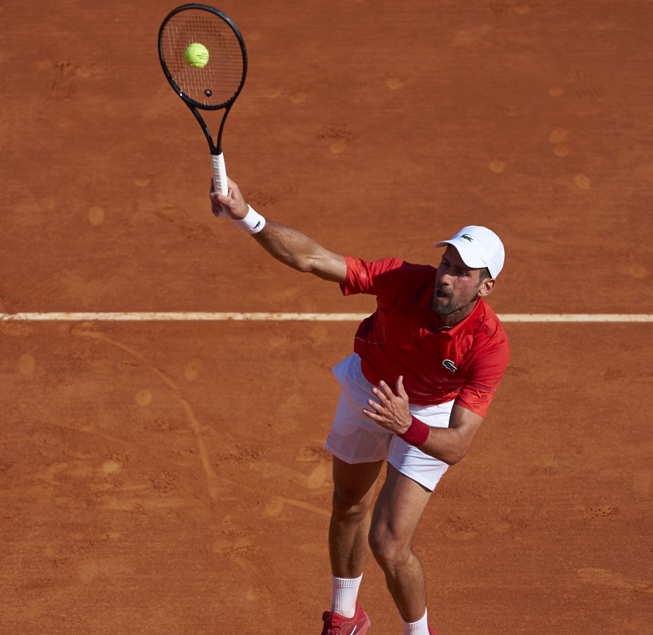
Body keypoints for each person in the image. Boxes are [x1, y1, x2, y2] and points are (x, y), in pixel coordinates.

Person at [210, 178, 510, 635]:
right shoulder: (404, 280)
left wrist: (406, 425)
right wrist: (246, 215)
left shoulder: (489, 345)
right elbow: (313, 259)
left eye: (462, 272)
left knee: (388, 543)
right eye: (446, 263)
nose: (446, 277)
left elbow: (457, 445)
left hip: (425, 414)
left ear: (485, 286)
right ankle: (346, 617)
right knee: (349, 504)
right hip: (369, 387)